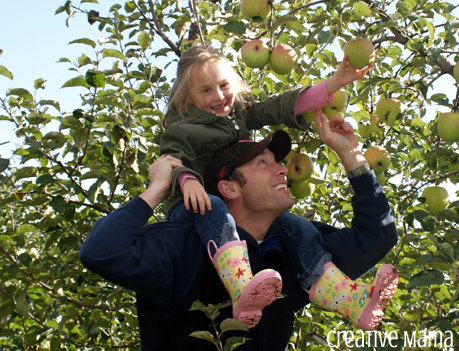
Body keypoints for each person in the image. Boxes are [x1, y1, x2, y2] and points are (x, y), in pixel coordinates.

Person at [79, 110, 399, 350]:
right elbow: (101, 252)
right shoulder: (184, 243)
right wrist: (158, 189)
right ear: (229, 188)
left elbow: (378, 236)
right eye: (263, 162)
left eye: (278, 160)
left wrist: (350, 153)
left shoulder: (297, 252)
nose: (281, 168)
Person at [158, 44, 389, 329]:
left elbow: (278, 107)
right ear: (187, 98)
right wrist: (187, 179)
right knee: (213, 204)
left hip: (225, 213)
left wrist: (332, 85)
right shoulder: (182, 128)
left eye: (223, 85)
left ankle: (343, 296)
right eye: (206, 91)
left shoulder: (278, 256)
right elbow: (170, 159)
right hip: (192, 209)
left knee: (298, 226)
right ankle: (240, 284)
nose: (219, 96)